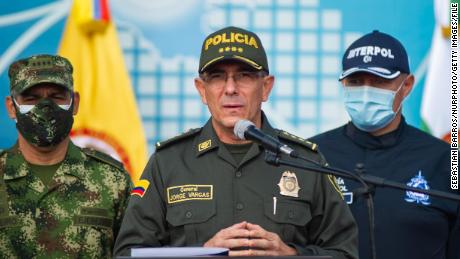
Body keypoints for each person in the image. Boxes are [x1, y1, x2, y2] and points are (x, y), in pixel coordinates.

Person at [114, 26, 358, 258]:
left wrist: (290, 254)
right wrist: (203, 253)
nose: (230, 88)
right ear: (201, 90)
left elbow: (345, 252)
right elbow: (128, 254)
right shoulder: (168, 163)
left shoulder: (305, 162)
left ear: (266, 87)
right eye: (218, 77)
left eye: (244, 76)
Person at [310, 30, 460, 259]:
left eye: (379, 81)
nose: (367, 91)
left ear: (407, 85)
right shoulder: (311, 156)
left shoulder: (448, 160)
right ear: (343, 84)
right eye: (356, 81)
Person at [0, 54, 131, 258]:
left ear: (75, 103)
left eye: (56, 96)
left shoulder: (114, 180)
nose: (45, 107)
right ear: (11, 107)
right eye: (31, 98)